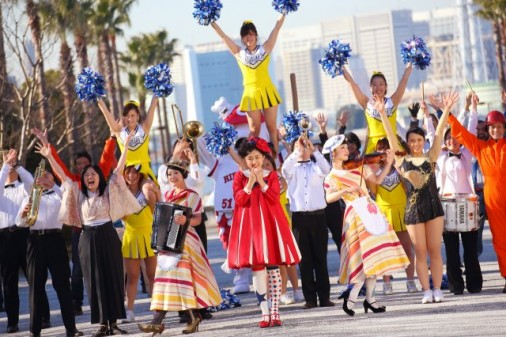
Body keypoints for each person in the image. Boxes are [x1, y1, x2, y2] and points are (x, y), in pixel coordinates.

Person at [37, 131, 141, 337]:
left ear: (99, 177)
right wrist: (49, 155)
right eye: (86, 175)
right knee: (94, 281)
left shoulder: (108, 189)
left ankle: (114, 321)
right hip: (87, 238)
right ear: (82, 180)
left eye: (93, 174)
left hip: (108, 235)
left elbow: (119, 168)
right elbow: (63, 176)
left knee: (113, 277)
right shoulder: (77, 193)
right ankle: (103, 324)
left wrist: (126, 145)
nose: (90, 177)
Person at [377, 91, 459, 303]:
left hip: (433, 209)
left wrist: (446, 109)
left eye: (419, 140)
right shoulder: (401, 159)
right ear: (407, 142)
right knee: (420, 252)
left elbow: (440, 132)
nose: (415, 143)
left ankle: (438, 289)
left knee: (435, 251)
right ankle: (425, 290)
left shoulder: (431, 157)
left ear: (423, 141)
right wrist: (382, 114)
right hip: (413, 211)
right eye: (412, 140)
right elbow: (390, 134)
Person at [32, 127, 117, 316]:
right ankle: (78, 302)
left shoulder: (98, 175)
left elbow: (107, 157)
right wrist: (48, 148)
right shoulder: (74, 183)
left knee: (106, 270)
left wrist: (112, 136)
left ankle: (112, 309)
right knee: (79, 270)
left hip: (104, 232)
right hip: (82, 233)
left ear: (92, 166)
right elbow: (60, 169)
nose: (82, 168)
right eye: (79, 164)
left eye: (85, 164)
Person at [323, 135, 409, 316]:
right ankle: (356, 296)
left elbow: (377, 181)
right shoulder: (332, 176)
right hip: (354, 214)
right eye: (343, 148)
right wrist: (344, 190)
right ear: (334, 153)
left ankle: (369, 299)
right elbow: (328, 197)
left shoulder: (358, 166)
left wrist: (389, 162)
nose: (348, 150)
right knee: (363, 259)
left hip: (370, 210)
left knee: (374, 256)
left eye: (347, 147)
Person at [138, 160, 221, 336]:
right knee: (165, 280)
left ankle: (164, 321)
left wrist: (186, 220)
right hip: (169, 242)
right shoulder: (167, 196)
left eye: (175, 173)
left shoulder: (192, 196)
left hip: (186, 241)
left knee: (183, 279)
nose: (172, 177)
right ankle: (170, 320)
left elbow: (198, 219)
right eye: (169, 174)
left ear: (183, 174)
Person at [227, 137, 301, 327]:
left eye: (257, 157)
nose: (253, 161)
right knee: (258, 269)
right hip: (251, 227)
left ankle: (275, 311)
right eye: (250, 158)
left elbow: (274, 198)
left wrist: (262, 181)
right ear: (245, 159)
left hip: (271, 224)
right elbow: (240, 200)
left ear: (263, 157)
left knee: (273, 267)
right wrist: (250, 184)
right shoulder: (240, 176)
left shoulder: (272, 175)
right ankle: (264, 313)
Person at [15, 169, 83, 337]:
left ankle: (71, 329)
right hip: (35, 241)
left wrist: (55, 186)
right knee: (35, 288)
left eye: (47, 176)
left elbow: (71, 202)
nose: (43, 179)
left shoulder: (59, 194)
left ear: (52, 179)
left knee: (62, 286)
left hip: (55, 240)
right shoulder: (29, 197)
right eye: (40, 177)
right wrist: (23, 215)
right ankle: (34, 331)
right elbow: (19, 222)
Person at [447, 108, 506, 293]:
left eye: (499, 127)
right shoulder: (481, 148)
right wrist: (447, 114)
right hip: (493, 199)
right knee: (500, 240)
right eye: (493, 127)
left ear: (504, 127)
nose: (496, 130)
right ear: (487, 129)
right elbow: (460, 134)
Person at [211, 14, 286, 154]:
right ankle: (249, 158)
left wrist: (284, 11)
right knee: (254, 129)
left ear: (256, 36)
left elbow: (276, 28)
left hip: (267, 91)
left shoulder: (265, 48)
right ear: (242, 39)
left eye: (251, 34)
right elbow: (223, 36)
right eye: (245, 35)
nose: (248, 37)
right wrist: (211, 21)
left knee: (271, 127)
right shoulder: (239, 53)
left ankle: (274, 159)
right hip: (250, 94)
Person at [0, 149, 50, 334]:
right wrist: (6, 166)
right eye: (7, 164)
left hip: (24, 234)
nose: (10, 166)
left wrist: (18, 165)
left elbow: (32, 183)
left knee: (34, 278)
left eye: (12, 164)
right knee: (9, 281)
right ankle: (12, 321)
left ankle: (44, 316)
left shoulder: (22, 186)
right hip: (4, 237)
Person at [282, 135, 332, 309]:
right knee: (305, 261)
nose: (303, 147)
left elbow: (327, 169)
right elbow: (284, 170)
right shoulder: (292, 168)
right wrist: (296, 150)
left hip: (319, 216)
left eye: (304, 145)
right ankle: (310, 298)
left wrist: (314, 151)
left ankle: (324, 297)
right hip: (300, 218)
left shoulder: (316, 166)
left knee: (320, 258)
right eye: (299, 144)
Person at [436, 128, 483, 295]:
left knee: (470, 247)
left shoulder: (467, 154)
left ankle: (474, 284)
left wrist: (474, 108)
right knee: (451, 248)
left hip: (467, 204)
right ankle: (455, 285)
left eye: (455, 137)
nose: (451, 141)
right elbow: (431, 134)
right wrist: (427, 115)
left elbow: (470, 130)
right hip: (447, 205)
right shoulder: (441, 156)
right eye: (448, 138)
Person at [373, 138, 417, 295]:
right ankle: (386, 283)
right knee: (385, 250)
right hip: (383, 212)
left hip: (402, 210)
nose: (383, 153)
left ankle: (410, 280)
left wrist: (396, 163)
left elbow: (410, 181)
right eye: (380, 150)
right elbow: (373, 186)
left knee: (407, 248)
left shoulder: (400, 167)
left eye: (386, 149)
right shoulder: (374, 169)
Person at [341, 64, 413, 153]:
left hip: (392, 144)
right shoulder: (366, 103)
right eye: (374, 85)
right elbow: (351, 83)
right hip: (373, 146)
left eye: (381, 84)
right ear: (370, 87)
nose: (378, 87)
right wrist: (341, 66)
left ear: (386, 86)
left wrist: (410, 58)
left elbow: (404, 80)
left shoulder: (393, 101)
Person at [121, 163, 160, 323]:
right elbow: (122, 216)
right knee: (132, 276)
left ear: (140, 174)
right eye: (128, 172)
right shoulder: (122, 193)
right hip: (131, 236)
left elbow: (156, 207)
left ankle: (157, 310)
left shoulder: (147, 189)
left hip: (149, 234)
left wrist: (152, 189)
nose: (131, 175)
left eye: (134, 172)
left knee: (152, 275)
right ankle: (129, 310)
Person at [263, 153, 302, 305]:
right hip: (267, 223)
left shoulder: (280, 181)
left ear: (274, 167)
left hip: (283, 221)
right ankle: (275, 294)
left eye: (268, 165)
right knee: (273, 261)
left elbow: (273, 195)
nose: (265, 167)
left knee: (287, 260)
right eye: (263, 165)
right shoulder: (257, 183)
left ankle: (293, 290)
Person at [98, 97, 159, 182]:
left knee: (150, 191)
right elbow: (105, 112)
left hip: (144, 172)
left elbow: (152, 106)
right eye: (126, 116)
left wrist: (157, 92)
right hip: (127, 173)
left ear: (138, 116)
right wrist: (98, 98)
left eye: (132, 115)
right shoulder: (119, 132)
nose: (129, 119)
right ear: (123, 117)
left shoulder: (144, 128)